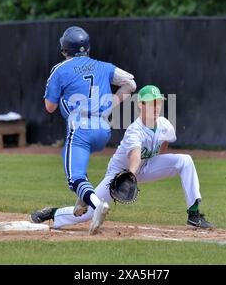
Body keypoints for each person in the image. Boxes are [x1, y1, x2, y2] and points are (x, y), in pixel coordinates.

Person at [30, 85, 214, 232]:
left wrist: (159, 163)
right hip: (120, 174)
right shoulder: (135, 130)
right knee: (90, 213)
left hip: (146, 166)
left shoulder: (165, 124)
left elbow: (164, 144)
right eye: (152, 102)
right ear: (141, 105)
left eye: (159, 102)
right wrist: (130, 177)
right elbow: (135, 155)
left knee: (185, 161)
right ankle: (53, 213)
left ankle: (194, 214)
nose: (156, 106)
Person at [30, 26, 137, 234]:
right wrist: (109, 104)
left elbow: (49, 107)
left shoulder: (60, 69)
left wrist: (63, 97)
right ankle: (82, 201)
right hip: (103, 130)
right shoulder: (103, 66)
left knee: (74, 177)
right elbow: (131, 84)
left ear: (65, 49)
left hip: (80, 128)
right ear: (87, 48)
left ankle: (97, 205)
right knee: (81, 169)